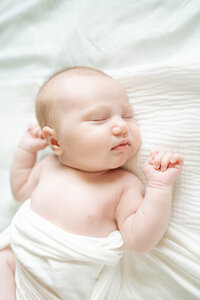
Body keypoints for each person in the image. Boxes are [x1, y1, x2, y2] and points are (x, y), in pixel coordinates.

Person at [0, 66, 184, 299]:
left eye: (128, 115)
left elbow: (140, 240)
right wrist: (26, 149)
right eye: (99, 118)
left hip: (69, 290)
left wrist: (160, 187)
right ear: (55, 141)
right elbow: (20, 190)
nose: (122, 126)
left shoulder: (123, 184)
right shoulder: (48, 166)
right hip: (21, 268)